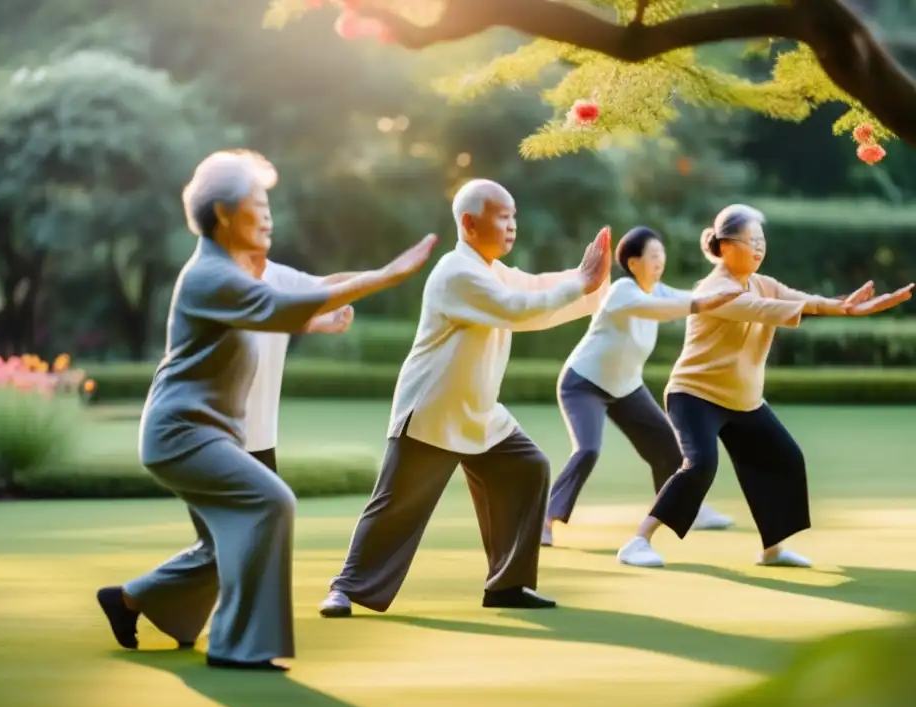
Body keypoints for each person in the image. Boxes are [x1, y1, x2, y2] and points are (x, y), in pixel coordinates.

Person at [95, 150, 438, 671]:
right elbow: (281, 308)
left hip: (209, 434)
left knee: (221, 545)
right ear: (226, 213)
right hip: (183, 434)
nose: (269, 214)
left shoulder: (234, 273)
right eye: (258, 203)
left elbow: (289, 305)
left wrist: (321, 319)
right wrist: (386, 275)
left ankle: (128, 601)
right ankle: (240, 646)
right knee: (270, 502)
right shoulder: (211, 274)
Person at [318, 179, 612, 619]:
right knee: (394, 505)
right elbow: (516, 307)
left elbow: (534, 292)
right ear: (470, 223)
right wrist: (583, 283)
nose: (513, 226)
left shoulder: (492, 270)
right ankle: (344, 588)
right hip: (433, 410)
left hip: (479, 412)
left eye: (514, 216)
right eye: (503, 217)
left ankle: (507, 584)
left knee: (528, 468)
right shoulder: (457, 272)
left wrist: (592, 284)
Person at [616, 204, 913, 568]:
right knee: (700, 465)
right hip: (695, 394)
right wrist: (837, 309)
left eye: (761, 240)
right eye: (750, 240)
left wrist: (845, 308)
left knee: (784, 458)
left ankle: (772, 550)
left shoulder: (762, 282)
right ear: (725, 247)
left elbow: (795, 298)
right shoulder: (717, 290)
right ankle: (638, 542)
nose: (759, 247)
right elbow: (764, 309)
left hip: (744, 399)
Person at [542, 227, 740, 548]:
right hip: (583, 384)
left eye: (661, 255)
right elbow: (664, 309)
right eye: (652, 256)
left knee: (669, 451)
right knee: (588, 450)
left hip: (626, 388)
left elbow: (686, 298)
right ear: (633, 263)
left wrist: (725, 295)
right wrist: (702, 303)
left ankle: (689, 509)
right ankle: (545, 520)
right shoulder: (622, 291)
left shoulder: (658, 290)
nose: (659, 261)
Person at [241, 257, 357, 473]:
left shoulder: (274, 273)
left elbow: (326, 287)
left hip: (259, 439)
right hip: (215, 440)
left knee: (273, 506)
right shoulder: (210, 277)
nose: (265, 224)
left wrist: (320, 322)